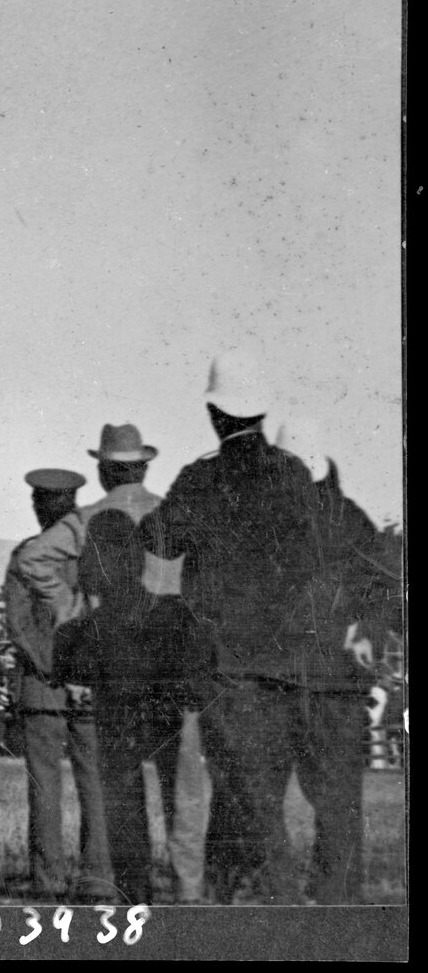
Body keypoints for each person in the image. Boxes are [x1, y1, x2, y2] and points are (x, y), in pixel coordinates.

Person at [135, 351, 331, 904]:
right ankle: (228, 901)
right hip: (289, 664)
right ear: (262, 413)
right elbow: (315, 558)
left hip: (227, 665)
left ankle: (285, 909)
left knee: (249, 799)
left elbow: (159, 539)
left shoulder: (201, 478)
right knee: (257, 789)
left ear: (216, 415)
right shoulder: (293, 473)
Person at [21, 423, 210, 904]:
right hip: (175, 660)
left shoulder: (87, 518)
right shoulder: (172, 513)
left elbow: (33, 560)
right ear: (145, 466)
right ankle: (189, 891)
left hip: (117, 665)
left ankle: (134, 897)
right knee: (184, 789)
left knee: (123, 790)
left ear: (103, 470)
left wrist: (71, 610)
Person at [270, 416, 399, 902]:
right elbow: (386, 591)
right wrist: (365, 629)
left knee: (263, 798)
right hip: (333, 682)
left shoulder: (271, 525)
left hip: (287, 680)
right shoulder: (353, 519)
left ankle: (281, 895)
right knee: (340, 798)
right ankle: (338, 897)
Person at [4, 467, 113, 901]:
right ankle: (99, 880)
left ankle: (48, 882)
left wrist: (55, 669)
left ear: (39, 505)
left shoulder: (27, 556)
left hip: (43, 687)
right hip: (92, 688)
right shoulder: (98, 554)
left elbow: (20, 626)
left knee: (45, 787)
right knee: (97, 786)